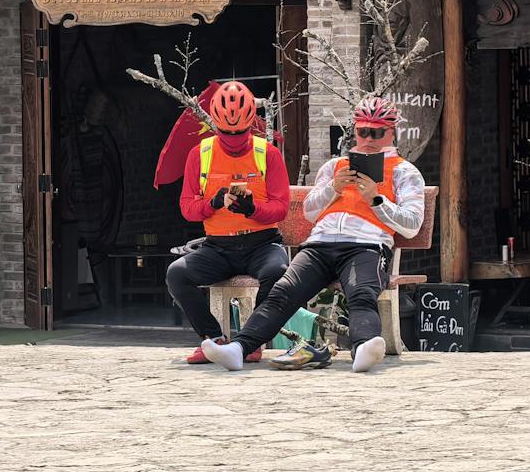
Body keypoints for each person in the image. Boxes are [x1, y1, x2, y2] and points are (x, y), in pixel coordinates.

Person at [199, 95, 423, 374]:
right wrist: (333, 188)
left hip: (366, 245)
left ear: (391, 132)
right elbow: (309, 211)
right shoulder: (334, 167)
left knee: (362, 293)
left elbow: (413, 223)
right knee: (282, 291)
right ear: (354, 130)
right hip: (320, 244)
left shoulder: (405, 171)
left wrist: (377, 200)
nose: (369, 139)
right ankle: (238, 349)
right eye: (363, 131)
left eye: (377, 133)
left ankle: (364, 347)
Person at [165, 81, 291, 365]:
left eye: (240, 132)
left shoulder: (267, 153)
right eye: (225, 132)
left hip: (262, 243)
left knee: (278, 271)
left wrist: (252, 209)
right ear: (215, 125)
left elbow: (280, 208)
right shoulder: (200, 154)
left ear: (250, 125)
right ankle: (213, 340)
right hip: (218, 247)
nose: (233, 138)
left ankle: (251, 342)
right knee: (177, 273)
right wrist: (212, 203)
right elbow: (187, 209)